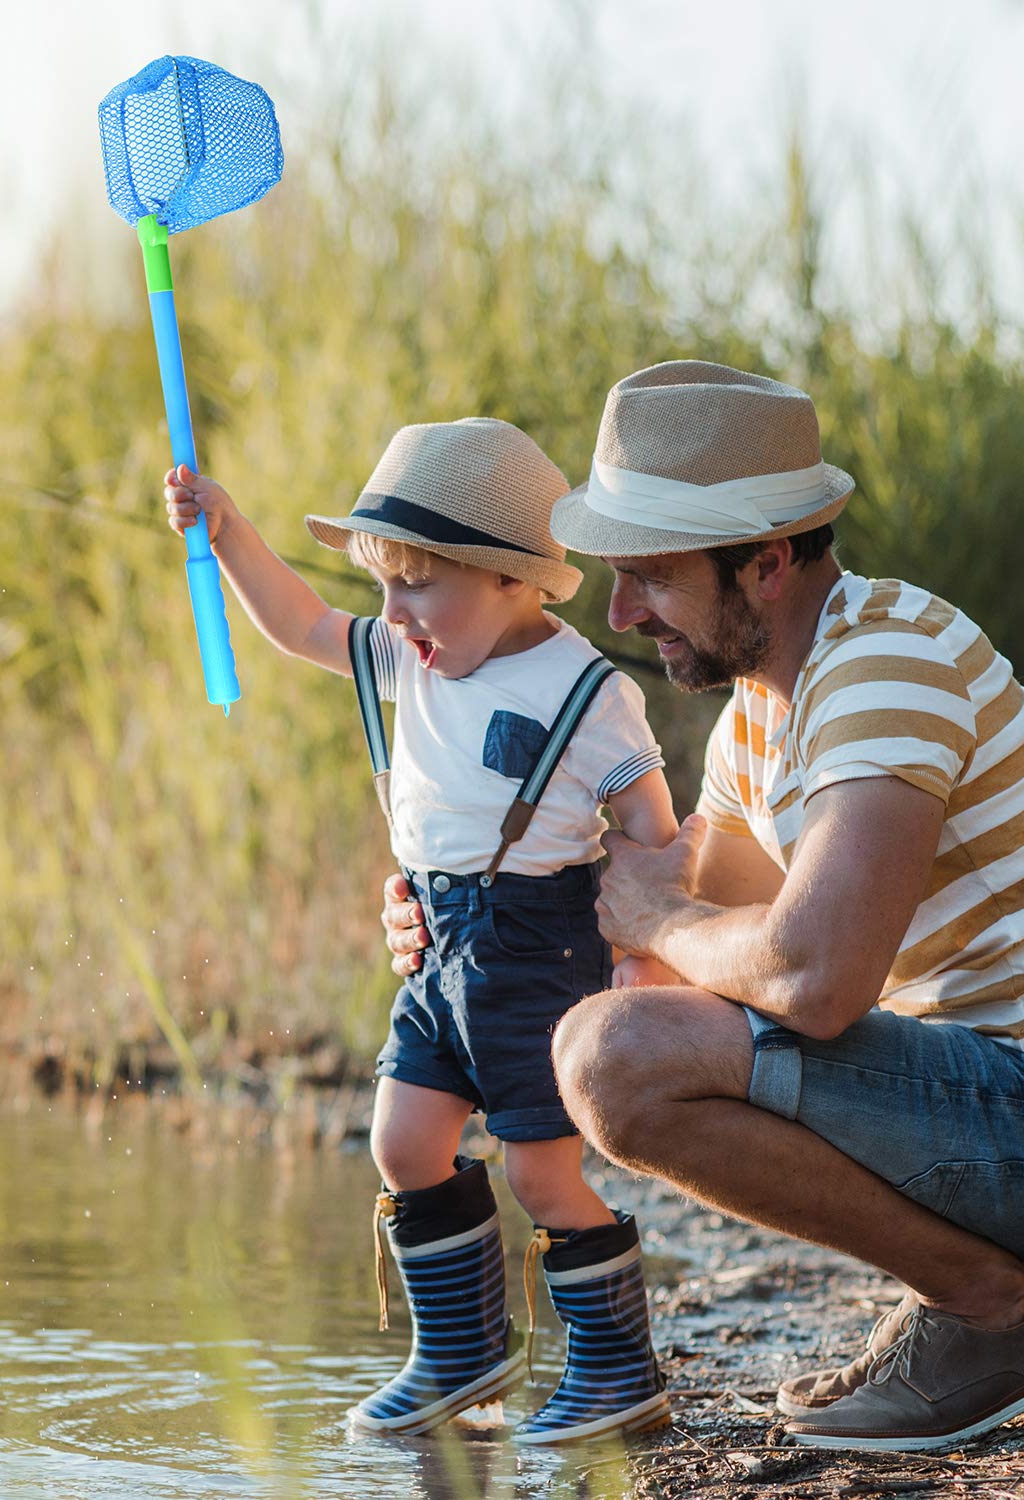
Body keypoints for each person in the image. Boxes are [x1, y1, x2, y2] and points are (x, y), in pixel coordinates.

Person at [382, 361, 1024, 1453]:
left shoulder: (885, 669)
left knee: (610, 1061)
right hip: (1007, 1100)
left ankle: (992, 1312)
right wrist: (462, 920)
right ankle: (969, 1301)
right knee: (616, 1044)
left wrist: (656, 924)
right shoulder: (758, 723)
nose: (621, 611)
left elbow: (810, 980)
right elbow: (684, 965)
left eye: (652, 578)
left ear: (767, 562)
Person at [163, 415, 680, 1444]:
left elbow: (653, 839)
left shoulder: (587, 693)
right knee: (403, 1141)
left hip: (542, 955)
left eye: (415, 582)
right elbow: (304, 623)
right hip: (440, 951)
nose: (392, 612)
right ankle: (463, 1356)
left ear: (509, 579)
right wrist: (225, 534)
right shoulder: (409, 660)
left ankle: (619, 1368)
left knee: (540, 1171)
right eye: (382, 583)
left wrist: (644, 966)